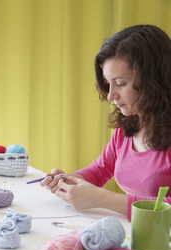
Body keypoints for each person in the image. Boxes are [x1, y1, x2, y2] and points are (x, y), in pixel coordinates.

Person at [40, 24, 171, 220]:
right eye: (108, 84)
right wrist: (70, 180)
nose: (110, 95)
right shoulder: (129, 125)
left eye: (120, 83)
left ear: (154, 79)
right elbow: (101, 169)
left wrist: (102, 199)